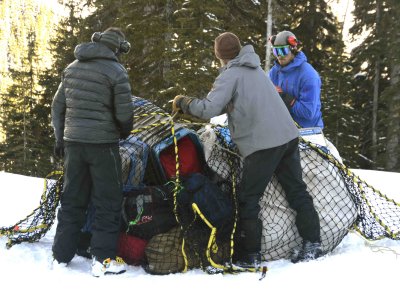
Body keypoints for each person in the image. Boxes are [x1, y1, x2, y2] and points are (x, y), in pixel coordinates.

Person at [172, 32, 322, 266]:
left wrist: (184, 102)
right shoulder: (258, 70)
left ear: (219, 55)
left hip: (263, 145)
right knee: (297, 191)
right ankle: (313, 243)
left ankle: (250, 255)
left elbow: (208, 109)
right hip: (288, 137)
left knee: (248, 199)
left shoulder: (230, 75)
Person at [51, 27, 134, 276]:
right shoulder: (116, 71)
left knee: (72, 200)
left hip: (73, 144)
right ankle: (102, 260)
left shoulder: (73, 67)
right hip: (103, 146)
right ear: (117, 48)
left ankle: (61, 257)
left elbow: (57, 108)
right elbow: (125, 114)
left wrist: (59, 139)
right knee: (107, 202)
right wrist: (124, 132)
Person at [268, 30, 323, 129]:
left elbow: (308, 112)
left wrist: (284, 98)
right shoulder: (274, 72)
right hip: (283, 128)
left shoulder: (308, 75)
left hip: (307, 131)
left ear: (292, 49)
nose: (279, 55)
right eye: (276, 51)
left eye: (283, 51)